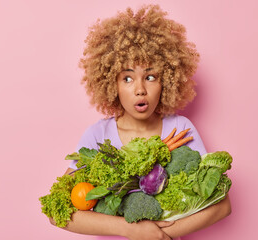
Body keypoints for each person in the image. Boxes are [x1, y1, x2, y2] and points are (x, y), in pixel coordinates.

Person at [50, 4, 231, 240]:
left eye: (150, 76)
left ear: (167, 80)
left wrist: (159, 235)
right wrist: (130, 229)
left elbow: (222, 205)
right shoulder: (98, 135)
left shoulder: (181, 129)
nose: (140, 89)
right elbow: (57, 212)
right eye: (127, 78)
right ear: (110, 84)